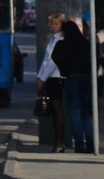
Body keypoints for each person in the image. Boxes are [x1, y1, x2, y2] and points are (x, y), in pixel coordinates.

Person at [54, 19, 95, 153]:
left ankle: (79, 145)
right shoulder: (86, 44)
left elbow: (56, 58)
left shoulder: (64, 45)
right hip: (88, 79)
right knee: (86, 113)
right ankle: (91, 143)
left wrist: (64, 69)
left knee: (74, 112)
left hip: (72, 79)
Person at [35, 13, 67, 152]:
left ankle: (59, 143)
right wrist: (40, 76)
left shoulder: (62, 40)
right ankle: (57, 142)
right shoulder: (53, 39)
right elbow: (46, 61)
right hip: (50, 77)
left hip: (56, 77)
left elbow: (54, 62)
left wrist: (43, 77)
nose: (53, 27)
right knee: (54, 110)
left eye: (56, 24)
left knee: (57, 109)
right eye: (52, 24)